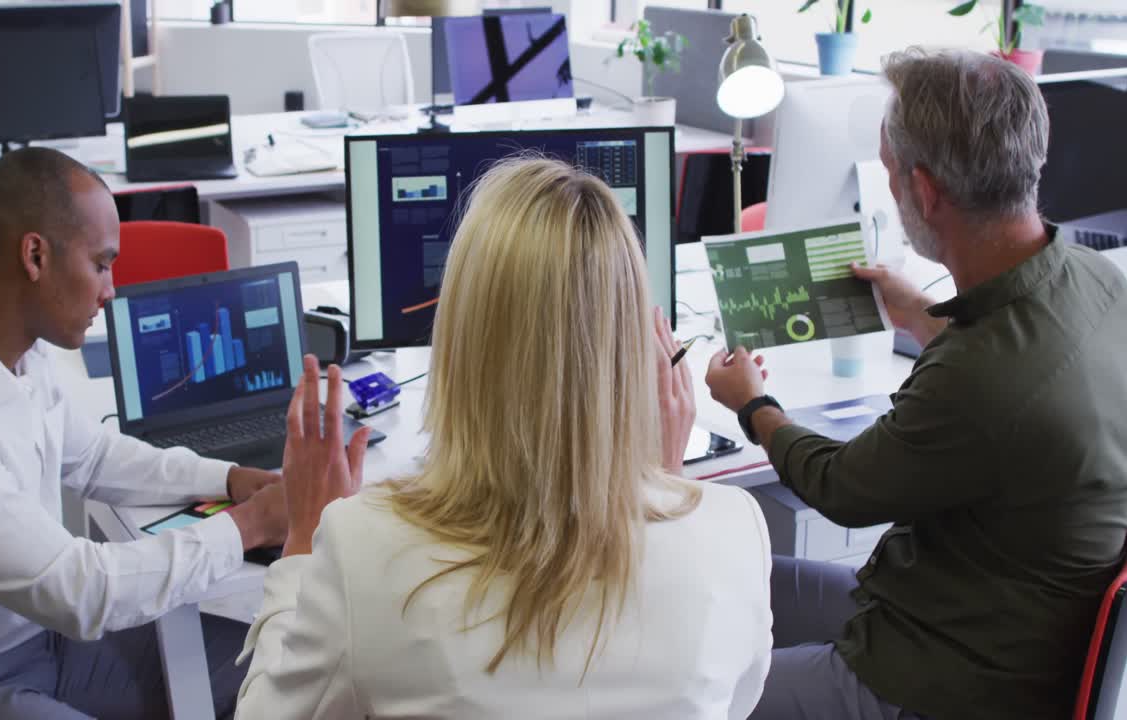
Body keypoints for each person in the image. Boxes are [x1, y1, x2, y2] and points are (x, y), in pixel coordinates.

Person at [233, 157, 774, 719]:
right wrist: (659, 484)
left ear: (463, 337)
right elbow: (732, 703)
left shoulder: (363, 548)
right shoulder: (735, 528)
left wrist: (300, 543)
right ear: (634, 340)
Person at [704, 48, 1127, 720]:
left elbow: (839, 487)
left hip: (938, 676)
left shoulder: (982, 377)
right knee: (728, 580)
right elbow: (1015, 383)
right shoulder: (1096, 281)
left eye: (891, 170)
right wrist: (921, 315)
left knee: (695, 698)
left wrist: (753, 404)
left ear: (924, 192)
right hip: (971, 605)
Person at [0, 147, 289, 720]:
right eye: (102, 264)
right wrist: (250, 525)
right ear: (35, 255)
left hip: (36, 637)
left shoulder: (4, 337)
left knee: (278, 672)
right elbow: (79, 590)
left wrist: (228, 480)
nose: (111, 289)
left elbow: (94, 455)